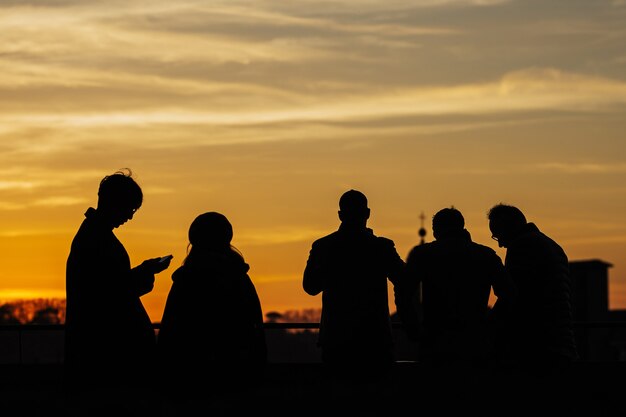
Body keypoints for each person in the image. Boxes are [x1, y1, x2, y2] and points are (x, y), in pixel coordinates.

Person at [64, 169, 172, 413]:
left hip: (102, 354)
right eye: (131, 209)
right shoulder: (96, 239)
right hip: (107, 356)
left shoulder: (93, 236)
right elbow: (108, 295)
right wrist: (144, 274)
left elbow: (109, 286)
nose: (130, 217)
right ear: (116, 203)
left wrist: (141, 272)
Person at [302, 189, 406, 409]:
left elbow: (310, 287)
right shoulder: (381, 247)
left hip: (337, 338)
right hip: (375, 338)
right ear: (367, 213)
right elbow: (404, 280)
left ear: (340, 215)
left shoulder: (323, 246)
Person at [157, 211, 267, 413]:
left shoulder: (185, 279)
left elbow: (171, 327)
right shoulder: (239, 277)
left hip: (191, 371)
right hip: (235, 367)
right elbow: (255, 324)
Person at [395, 206, 516, 368]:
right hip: (474, 343)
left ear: (436, 231)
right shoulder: (486, 255)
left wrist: (413, 329)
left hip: (435, 342)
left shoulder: (423, 254)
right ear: (462, 227)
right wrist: (488, 327)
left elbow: (403, 293)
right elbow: (509, 295)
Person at [487, 203, 579, 371]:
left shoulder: (523, 246)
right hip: (561, 342)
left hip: (539, 344)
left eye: (498, 235)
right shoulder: (552, 245)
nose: (500, 244)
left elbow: (514, 294)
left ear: (508, 228)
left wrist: (489, 325)